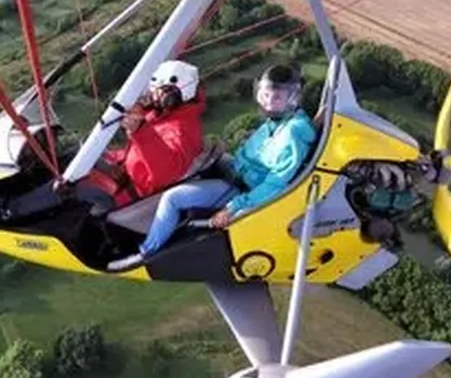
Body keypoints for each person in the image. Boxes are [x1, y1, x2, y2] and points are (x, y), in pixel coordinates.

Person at [107, 63, 318, 271]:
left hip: (241, 190)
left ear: (293, 98)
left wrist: (234, 207)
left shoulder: (293, 132)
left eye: (278, 97)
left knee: (174, 198)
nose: (269, 102)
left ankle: (146, 253)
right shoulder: (276, 122)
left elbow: (275, 183)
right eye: (265, 94)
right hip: (233, 175)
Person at [87, 59, 206, 206]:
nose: (153, 96)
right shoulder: (163, 116)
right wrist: (112, 157)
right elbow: (139, 154)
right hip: (124, 177)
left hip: (134, 197)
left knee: (77, 196)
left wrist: (140, 130)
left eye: (157, 91)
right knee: (78, 158)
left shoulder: (181, 129)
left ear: (171, 97)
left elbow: (165, 174)